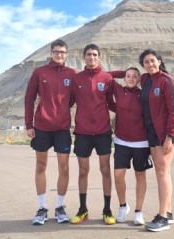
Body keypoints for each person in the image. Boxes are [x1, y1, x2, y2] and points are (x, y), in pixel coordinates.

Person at [24, 39, 76, 225]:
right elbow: (29, 99)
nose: (59, 55)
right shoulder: (39, 72)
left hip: (62, 128)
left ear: (67, 54)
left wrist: (61, 111)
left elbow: (73, 99)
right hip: (42, 127)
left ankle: (60, 207)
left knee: (64, 168)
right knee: (41, 166)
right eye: (56, 52)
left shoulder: (72, 74)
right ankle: (42, 208)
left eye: (62, 52)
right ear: (51, 53)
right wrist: (29, 124)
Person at [69, 44, 116, 225]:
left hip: (103, 132)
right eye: (88, 54)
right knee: (83, 171)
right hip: (82, 132)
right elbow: (68, 102)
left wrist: (131, 110)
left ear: (100, 56)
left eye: (95, 55)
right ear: (83, 57)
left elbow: (112, 103)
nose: (91, 57)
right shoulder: (76, 78)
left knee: (105, 170)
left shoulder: (107, 78)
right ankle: (83, 210)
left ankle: (107, 210)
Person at [139, 49, 174, 232]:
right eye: (146, 62)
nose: (150, 64)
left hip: (166, 134)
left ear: (159, 61)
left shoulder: (166, 81)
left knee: (162, 172)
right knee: (162, 171)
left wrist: (170, 137)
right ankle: (169, 212)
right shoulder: (145, 80)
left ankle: (162, 217)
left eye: (152, 61)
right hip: (152, 132)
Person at [110, 67, 152, 225]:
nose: (131, 78)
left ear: (139, 79)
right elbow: (106, 76)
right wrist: (121, 73)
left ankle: (138, 212)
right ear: (124, 78)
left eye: (135, 76)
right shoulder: (118, 90)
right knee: (118, 175)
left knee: (140, 175)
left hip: (141, 142)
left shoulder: (143, 94)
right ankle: (123, 207)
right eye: (128, 76)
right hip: (121, 142)